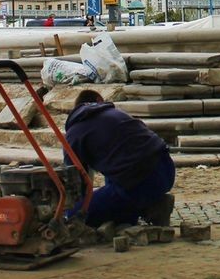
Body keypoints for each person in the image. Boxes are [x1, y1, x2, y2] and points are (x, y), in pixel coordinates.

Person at [63, 90, 175, 228]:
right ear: (99, 100)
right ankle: (149, 205)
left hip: (140, 184)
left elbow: (74, 183)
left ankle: (148, 208)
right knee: (114, 178)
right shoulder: (119, 114)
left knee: (74, 215)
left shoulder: (73, 135)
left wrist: (77, 208)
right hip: (167, 170)